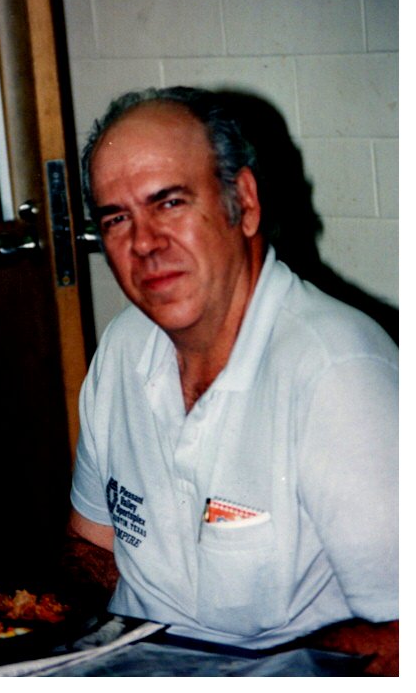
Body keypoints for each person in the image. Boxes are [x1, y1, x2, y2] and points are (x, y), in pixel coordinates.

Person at [65, 87, 398, 675]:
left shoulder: (337, 373)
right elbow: (92, 543)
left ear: (243, 203)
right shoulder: (122, 347)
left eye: (169, 202)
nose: (144, 243)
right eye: (117, 218)